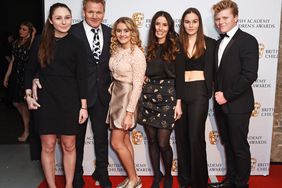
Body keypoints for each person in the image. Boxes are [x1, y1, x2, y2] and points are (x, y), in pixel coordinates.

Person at [32, 0, 112, 187]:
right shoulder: (71, 32)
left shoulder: (110, 32)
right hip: (76, 96)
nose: (94, 15)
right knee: (74, 142)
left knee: (101, 139)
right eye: (91, 11)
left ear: (103, 12)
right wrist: (36, 78)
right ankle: (76, 177)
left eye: (98, 12)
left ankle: (102, 173)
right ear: (83, 11)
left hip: (102, 94)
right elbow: (48, 58)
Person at [24, 3, 88, 188]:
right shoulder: (39, 41)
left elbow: (82, 77)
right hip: (45, 99)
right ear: (51, 21)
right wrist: (28, 95)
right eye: (59, 18)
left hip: (70, 100)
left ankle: (68, 185)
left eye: (67, 17)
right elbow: (29, 71)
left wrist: (83, 106)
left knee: (69, 145)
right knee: (48, 145)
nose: (64, 21)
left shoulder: (77, 44)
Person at [210, 0, 259, 188]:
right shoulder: (218, 42)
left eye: (225, 18)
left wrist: (227, 96)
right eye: (217, 19)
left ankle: (241, 184)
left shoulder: (248, 40)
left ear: (235, 17)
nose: (220, 22)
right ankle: (230, 181)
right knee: (228, 145)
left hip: (237, 104)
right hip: (220, 105)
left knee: (239, 147)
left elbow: (249, 76)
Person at [138, 11, 182, 188]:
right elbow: (142, 70)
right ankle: (157, 174)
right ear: (153, 26)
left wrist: (178, 102)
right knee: (152, 140)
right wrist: (141, 76)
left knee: (163, 142)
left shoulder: (176, 47)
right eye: (157, 24)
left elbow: (180, 77)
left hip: (168, 98)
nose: (160, 28)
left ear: (169, 27)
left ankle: (169, 175)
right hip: (149, 97)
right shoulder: (148, 48)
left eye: (164, 25)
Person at [174, 8, 216, 188]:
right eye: (187, 21)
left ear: (199, 23)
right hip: (181, 94)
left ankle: (199, 182)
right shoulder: (176, 44)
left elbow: (218, 71)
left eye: (194, 21)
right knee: (181, 137)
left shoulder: (210, 43)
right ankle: (184, 180)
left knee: (195, 137)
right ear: (182, 24)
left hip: (199, 92)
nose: (191, 25)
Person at [107, 17, 146, 188]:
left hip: (127, 98)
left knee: (116, 142)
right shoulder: (116, 50)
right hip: (116, 96)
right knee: (124, 139)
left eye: (126, 30)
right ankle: (134, 178)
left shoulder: (136, 53)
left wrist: (130, 113)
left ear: (132, 32)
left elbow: (137, 86)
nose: (122, 34)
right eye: (119, 30)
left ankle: (133, 179)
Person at [3, 21, 36, 142]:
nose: (21, 31)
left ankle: (27, 131)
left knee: (24, 104)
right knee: (16, 103)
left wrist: (32, 37)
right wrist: (7, 76)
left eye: (24, 29)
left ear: (30, 31)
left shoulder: (31, 43)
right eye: (20, 29)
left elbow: (32, 55)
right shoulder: (16, 43)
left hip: (26, 74)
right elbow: (12, 60)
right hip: (16, 74)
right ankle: (28, 126)